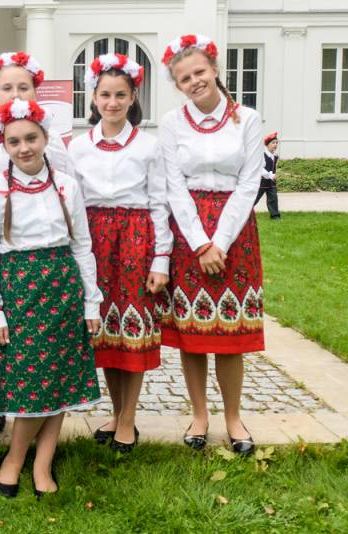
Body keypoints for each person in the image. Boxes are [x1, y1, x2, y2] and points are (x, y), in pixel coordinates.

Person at [0, 99, 102, 497]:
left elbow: (82, 245)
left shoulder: (66, 186)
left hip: (62, 287)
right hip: (19, 290)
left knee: (59, 375)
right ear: (4, 144)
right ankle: (14, 459)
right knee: (32, 378)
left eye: (31, 138)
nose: (24, 147)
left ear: (46, 138)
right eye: (14, 141)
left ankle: (43, 462)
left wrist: (91, 301)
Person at [160, 34, 265, 455]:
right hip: (189, 233)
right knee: (192, 331)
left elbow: (250, 183)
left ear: (215, 70)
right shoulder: (172, 123)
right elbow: (173, 186)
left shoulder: (248, 119)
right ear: (178, 85)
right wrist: (201, 244)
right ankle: (199, 414)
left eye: (200, 72)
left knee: (230, 332)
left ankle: (233, 416)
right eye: (185, 78)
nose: (195, 81)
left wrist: (219, 240)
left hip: (235, 231)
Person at [0, 51, 72, 434]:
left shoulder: (48, 137)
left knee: (29, 332)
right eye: (7, 87)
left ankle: (39, 399)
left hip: (31, 240)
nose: (15, 94)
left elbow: (66, 183)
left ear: (36, 91)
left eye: (23, 87)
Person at [68, 53, 172, 453]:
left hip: (135, 240)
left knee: (133, 332)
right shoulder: (79, 147)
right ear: (93, 98)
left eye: (120, 95)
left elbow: (159, 202)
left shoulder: (149, 146)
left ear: (133, 98)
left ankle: (128, 419)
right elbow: (72, 201)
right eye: (105, 95)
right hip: (94, 240)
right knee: (107, 334)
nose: (112, 103)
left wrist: (160, 258)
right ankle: (116, 411)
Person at [255, 132, 281, 219]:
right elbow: (260, 168)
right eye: (273, 143)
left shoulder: (275, 156)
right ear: (267, 144)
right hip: (261, 182)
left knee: (273, 198)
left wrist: (274, 175)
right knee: (254, 198)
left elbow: (273, 167)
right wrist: (270, 175)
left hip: (271, 182)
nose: (275, 145)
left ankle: (275, 215)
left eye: (276, 143)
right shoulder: (262, 155)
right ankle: (244, 212)